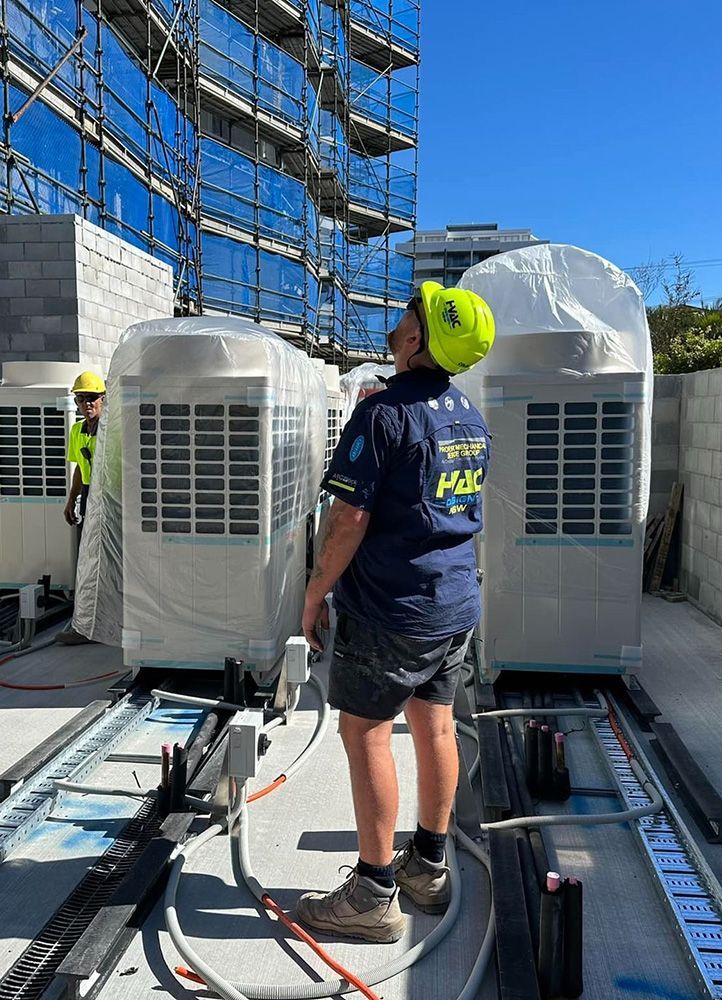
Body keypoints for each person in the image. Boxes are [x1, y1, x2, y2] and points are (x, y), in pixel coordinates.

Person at [297, 281, 495, 943]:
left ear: (417, 338)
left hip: (391, 611)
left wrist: (314, 590)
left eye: (411, 310)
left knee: (366, 734)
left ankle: (372, 890)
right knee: (435, 726)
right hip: (453, 605)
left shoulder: (385, 414)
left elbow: (349, 518)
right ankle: (428, 869)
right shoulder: (469, 415)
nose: (402, 314)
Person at [56, 371, 106, 645]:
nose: (87, 404)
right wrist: (71, 499)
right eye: (81, 399)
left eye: (92, 398)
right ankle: (88, 626)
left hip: (109, 497)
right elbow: (78, 468)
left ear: (102, 399)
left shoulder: (110, 430)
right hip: (89, 495)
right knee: (88, 563)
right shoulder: (78, 430)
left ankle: (97, 626)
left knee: (104, 563)